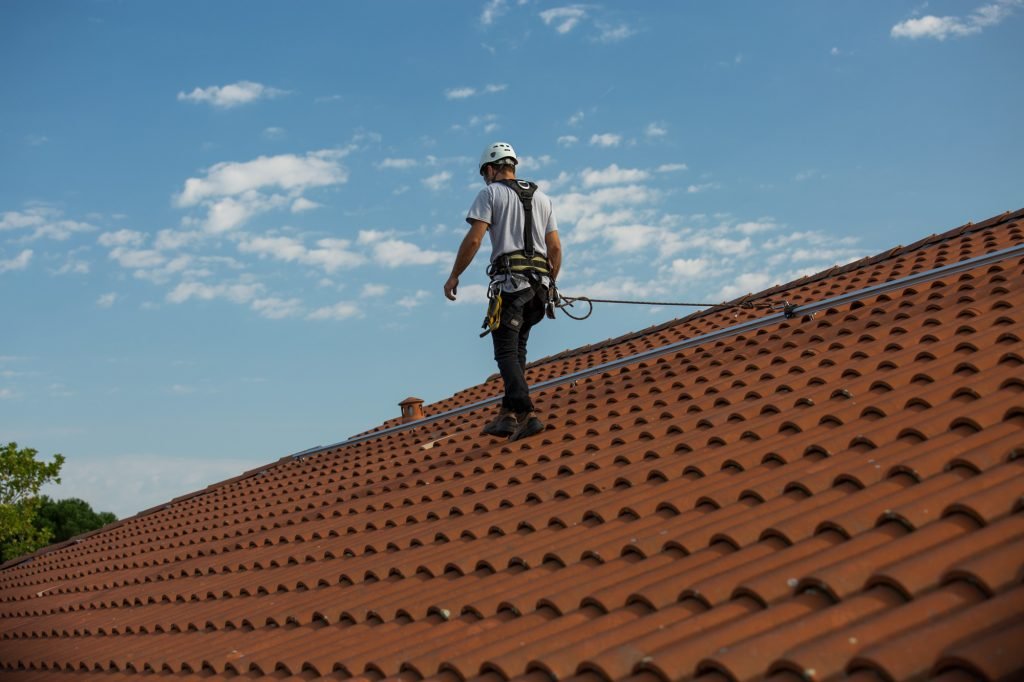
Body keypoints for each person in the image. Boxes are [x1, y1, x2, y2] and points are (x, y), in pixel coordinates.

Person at [444, 141, 562, 441]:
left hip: (511, 286)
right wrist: (551, 283)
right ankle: (507, 416)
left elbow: (474, 240)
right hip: (539, 289)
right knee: (518, 350)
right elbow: (555, 248)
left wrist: (454, 275)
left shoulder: (490, 193)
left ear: (492, 169)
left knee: (506, 351)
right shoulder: (543, 198)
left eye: (486, 173)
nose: (485, 179)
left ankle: (526, 414)